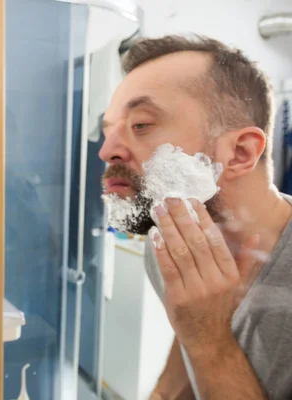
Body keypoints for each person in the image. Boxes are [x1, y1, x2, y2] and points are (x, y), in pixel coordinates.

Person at [100, 35, 292, 399]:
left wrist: (211, 342)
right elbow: (191, 335)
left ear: (239, 153)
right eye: (109, 129)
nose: (107, 151)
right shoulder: (174, 243)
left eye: (140, 125)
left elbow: (203, 336)